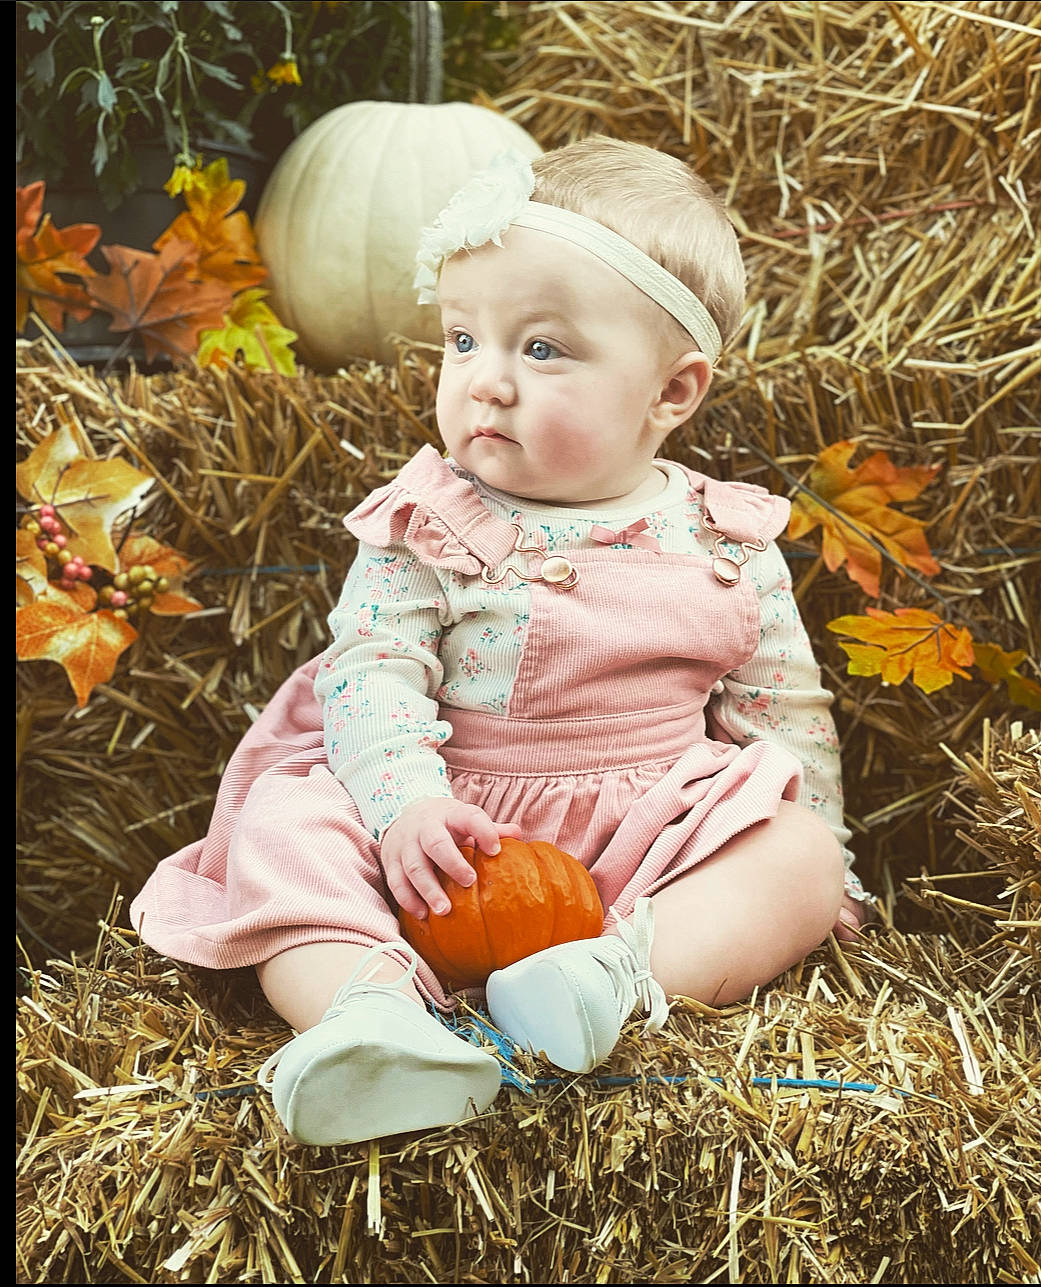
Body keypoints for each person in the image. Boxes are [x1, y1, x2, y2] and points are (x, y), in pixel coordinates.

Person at [130, 138, 873, 1148]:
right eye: (462, 340)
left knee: (795, 850)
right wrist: (404, 806)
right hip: (436, 834)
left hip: (640, 845)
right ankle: (373, 1017)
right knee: (282, 830)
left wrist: (822, 865)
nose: (485, 382)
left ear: (672, 392)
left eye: (543, 349)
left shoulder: (725, 538)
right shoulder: (427, 519)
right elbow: (371, 672)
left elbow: (783, 717)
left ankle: (611, 982)